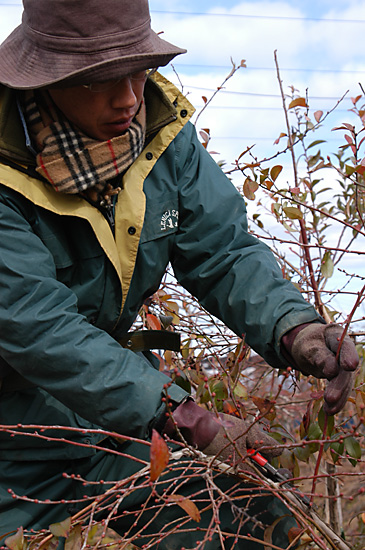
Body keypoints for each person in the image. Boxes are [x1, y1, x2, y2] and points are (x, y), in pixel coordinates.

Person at [0, 1, 359, 548]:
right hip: (15, 440)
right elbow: (38, 328)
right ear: (48, 81)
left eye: (138, 69)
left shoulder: (165, 140)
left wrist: (296, 328)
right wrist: (184, 416)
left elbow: (222, 253)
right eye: (101, 80)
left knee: (261, 521)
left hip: (120, 417)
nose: (128, 97)